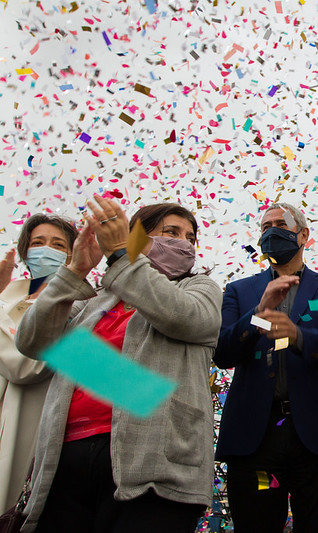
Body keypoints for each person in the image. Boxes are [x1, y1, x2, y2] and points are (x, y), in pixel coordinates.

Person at [15, 196, 222, 533]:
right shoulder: (96, 301)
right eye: (171, 232)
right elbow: (33, 342)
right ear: (140, 238)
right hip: (68, 460)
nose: (183, 243)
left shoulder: (198, 289)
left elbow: (185, 318)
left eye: (189, 237)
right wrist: (75, 271)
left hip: (152, 463)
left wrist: (120, 258)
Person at [214, 202, 318, 533]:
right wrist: (258, 313)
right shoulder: (239, 290)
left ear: (303, 235)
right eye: (265, 227)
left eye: (280, 224)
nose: (272, 232)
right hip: (256, 441)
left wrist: (298, 337)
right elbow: (222, 353)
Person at [0, 215, 78, 510]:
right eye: (38, 243)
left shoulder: (72, 304)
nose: (46, 250)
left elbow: (27, 366)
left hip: (28, 426)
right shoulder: (8, 296)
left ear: (72, 255)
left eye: (58, 245)